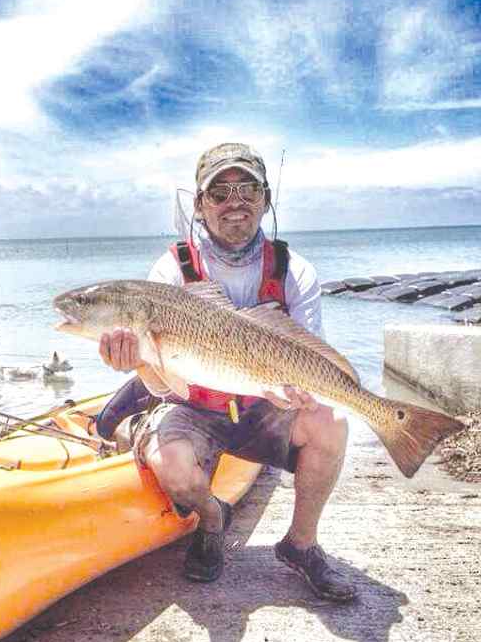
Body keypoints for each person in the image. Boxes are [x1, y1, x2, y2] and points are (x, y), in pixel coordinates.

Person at [98, 142, 355, 602]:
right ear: (200, 205)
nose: (234, 201)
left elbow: (311, 354)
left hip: (265, 407)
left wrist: (302, 392)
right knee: (173, 466)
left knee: (332, 422)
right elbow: (163, 385)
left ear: (265, 198)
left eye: (247, 189)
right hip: (197, 406)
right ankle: (212, 520)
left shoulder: (294, 269)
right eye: (218, 191)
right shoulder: (170, 270)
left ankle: (301, 545)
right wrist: (137, 360)